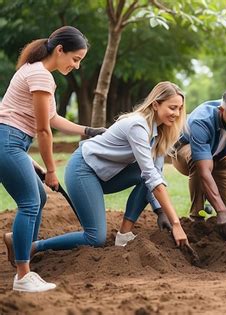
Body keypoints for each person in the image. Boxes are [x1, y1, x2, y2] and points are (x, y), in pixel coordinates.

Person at [8, 81, 189, 279]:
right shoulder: (138, 125)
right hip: (83, 169)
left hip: (106, 174)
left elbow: (155, 174)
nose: (177, 113)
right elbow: (152, 177)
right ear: (156, 104)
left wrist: (160, 210)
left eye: (180, 108)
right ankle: (31, 246)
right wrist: (176, 223)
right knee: (95, 237)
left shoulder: (160, 131)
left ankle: (124, 236)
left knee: (147, 176)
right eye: (172, 107)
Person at [0, 26, 106, 293]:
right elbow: (43, 130)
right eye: (76, 58)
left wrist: (88, 131)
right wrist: (50, 170)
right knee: (30, 202)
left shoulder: (35, 71)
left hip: (11, 141)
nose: (77, 66)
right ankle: (23, 276)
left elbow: (52, 119)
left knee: (39, 198)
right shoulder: (41, 76)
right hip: (9, 141)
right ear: (60, 50)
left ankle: (22, 251)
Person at [171, 89, 226, 239]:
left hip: (217, 155)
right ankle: (197, 218)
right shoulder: (201, 120)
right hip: (183, 151)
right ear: (221, 111)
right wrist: (220, 211)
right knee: (198, 162)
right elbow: (204, 171)